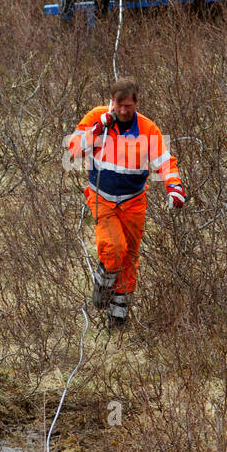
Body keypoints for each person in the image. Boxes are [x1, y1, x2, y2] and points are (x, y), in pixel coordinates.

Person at [65, 78, 185, 327]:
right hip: (102, 199)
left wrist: (174, 188)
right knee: (113, 248)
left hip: (134, 201)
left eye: (128, 106)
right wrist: (98, 129)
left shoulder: (148, 129)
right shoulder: (97, 117)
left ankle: (118, 316)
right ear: (112, 102)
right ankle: (103, 284)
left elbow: (165, 162)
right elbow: (73, 151)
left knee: (129, 257)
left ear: (136, 103)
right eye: (119, 105)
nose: (123, 110)